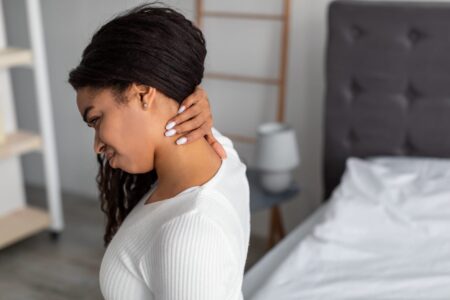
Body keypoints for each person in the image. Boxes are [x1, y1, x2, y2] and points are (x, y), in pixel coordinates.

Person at [68, 2, 250, 299]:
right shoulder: (221, 152)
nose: (97, 145)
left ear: (142, 93)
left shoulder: (191, 232)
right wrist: (186, 94)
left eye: (96, 119)